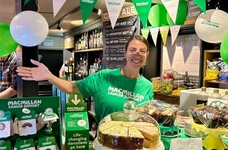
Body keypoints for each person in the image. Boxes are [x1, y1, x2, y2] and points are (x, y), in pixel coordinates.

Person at [17, 35, 154, 123]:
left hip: (137, 145)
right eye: (132, 50)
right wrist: (49, 76)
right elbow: (72, 88)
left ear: (147, 55)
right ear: (125, 53)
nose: (137, 54)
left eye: (142, 51)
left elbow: (147, 119)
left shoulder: (148, 86)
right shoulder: (104, 76)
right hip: (106, 144)